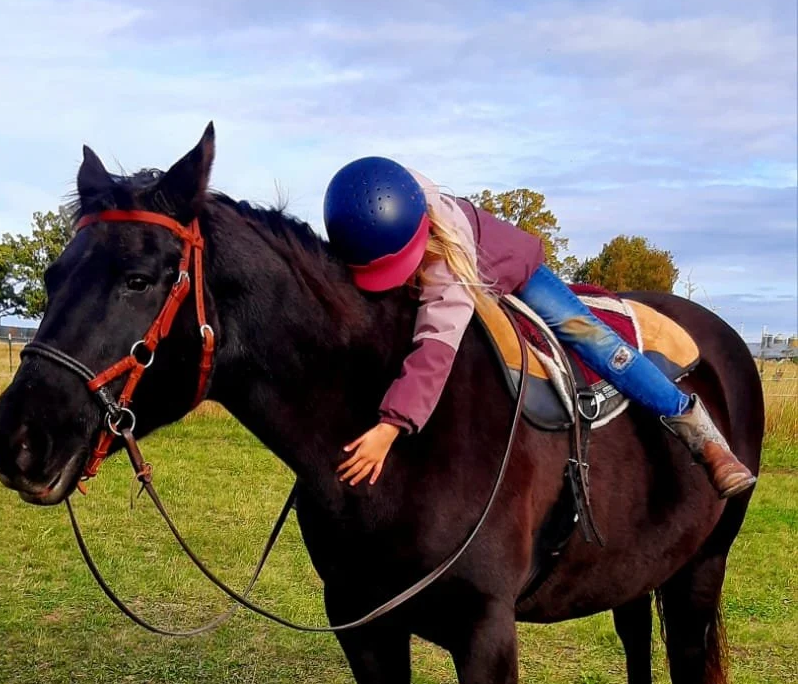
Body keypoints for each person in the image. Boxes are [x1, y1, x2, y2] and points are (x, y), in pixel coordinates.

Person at [323, 157, 755, 497]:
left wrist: (390, 426)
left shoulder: (447, 272)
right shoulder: (385, 194)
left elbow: (435, 352)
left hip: (514, 272)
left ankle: (702, 435)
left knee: (596, 341)